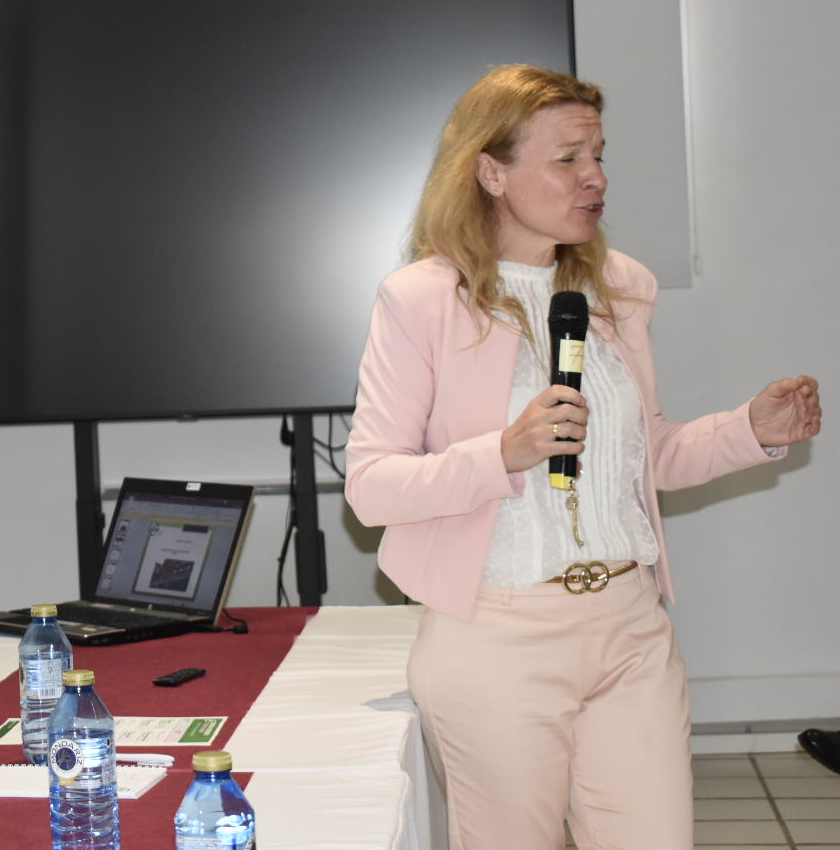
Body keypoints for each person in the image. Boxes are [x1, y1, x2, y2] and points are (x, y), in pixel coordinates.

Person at [343, 65, 821, 850]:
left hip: (630, 627)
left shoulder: (621, 287)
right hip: (496, 639)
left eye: (598, 155)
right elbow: (371, 487)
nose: (594, 177)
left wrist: (749, 428)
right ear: (491, 172)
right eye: (567, 158)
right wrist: (503, 452)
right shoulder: (422, 298)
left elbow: (646, 455)